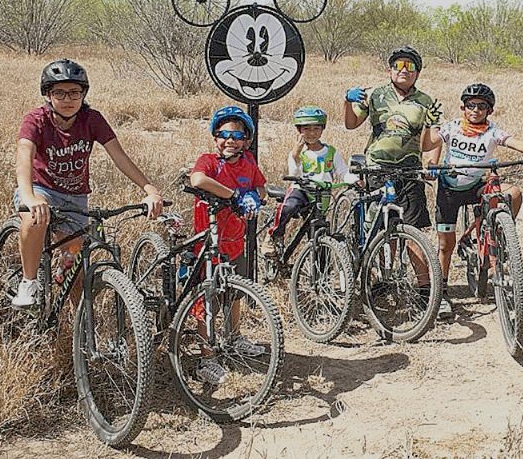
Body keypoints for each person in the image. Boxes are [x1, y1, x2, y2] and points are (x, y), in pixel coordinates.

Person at [12, 59, 164, 308]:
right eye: (59, 92)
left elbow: (119, 155)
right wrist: (29, 197)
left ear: (84, 94)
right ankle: (28, 282)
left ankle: (80, 329)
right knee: (33, 218)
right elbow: (23, 157)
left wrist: (148, 188)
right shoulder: (36, 120)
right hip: (41, 189)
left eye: (75, 92)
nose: (68, 99)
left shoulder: (92, 119)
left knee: (75, 268)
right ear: (48, 95)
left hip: (75, 196)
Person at [422, 83, 523, 318]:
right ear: (463, 108)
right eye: (471, 105)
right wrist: (430, 126)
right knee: (444, 246)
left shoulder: (492, 131)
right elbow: (428, 145)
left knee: (514, 193)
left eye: (482, 106)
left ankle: (493, 233)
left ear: (490, 111)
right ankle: (442, 293)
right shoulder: (451, 128)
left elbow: (518, 143)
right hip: (449, 190)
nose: (475, 110)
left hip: (476, 186)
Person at [342, 46, 442, 308]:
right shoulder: (374, 94)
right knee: (381, 229)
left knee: (413, 231)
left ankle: (425, 292)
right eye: (398, 65)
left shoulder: (426, 101)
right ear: (390, 70)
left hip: (410, 171)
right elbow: (351, 124)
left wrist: (432, 162)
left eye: (410, 67)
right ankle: (381, 281)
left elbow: (432, 141)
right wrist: (347, 100)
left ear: (417, 73)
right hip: (377, 169)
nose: (403, 71)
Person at [189, 105, 268, 385]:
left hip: (236, 240)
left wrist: (255, 197)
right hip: (209, 242)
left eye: (237, 135)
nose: (230, 140)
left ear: (247, 140)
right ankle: (206, 357)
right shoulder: (209, 161)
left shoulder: (248, 163)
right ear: (215, 138)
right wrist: (235, 195)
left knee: (235, 294)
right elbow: (198, 180)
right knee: (207, 299)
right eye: (223, 134)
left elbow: (260, 186)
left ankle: (233, 338)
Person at [265, 106, 359, 252]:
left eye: (316, 128)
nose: (312, 133)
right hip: (301, 190)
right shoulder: (298, 152)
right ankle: (273, 236)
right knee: (288, 207)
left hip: (321, 195)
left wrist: (354, 180)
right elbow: (294, 174)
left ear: (322, 129)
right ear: (299, 131)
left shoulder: (331, 152)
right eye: (306, 129)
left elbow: (343, 172)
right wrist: (296, 155)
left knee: (319, 234)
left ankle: (321, 271)